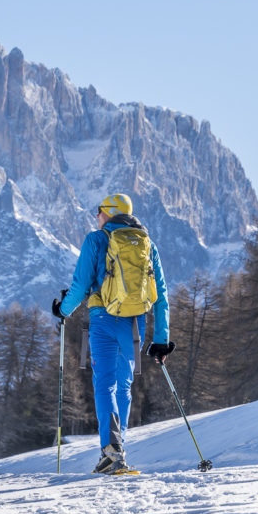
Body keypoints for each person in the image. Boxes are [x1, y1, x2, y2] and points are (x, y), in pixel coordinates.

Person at [53, 193, 173, 474]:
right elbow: (162, 295)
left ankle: (111, 452)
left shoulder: (96, 239)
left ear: (108, 213)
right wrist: (161, 340)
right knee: (123, 386)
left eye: (99, 212)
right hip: (135, 325)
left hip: (104, 319)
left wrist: (63, 310)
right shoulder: (147, 244)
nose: (96, 217)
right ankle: (119, 451)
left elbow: (81, 285)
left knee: (104, 384)